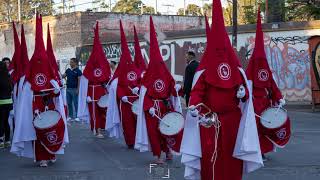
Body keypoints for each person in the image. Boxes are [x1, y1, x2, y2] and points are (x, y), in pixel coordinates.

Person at [180, 1, 263, 180]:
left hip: (233, 120)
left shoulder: (236, 69)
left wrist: (243, 94)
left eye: (223, 49)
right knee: (211, 158)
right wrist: (194, 107)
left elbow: (244, 90)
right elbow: (197, 92)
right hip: (210, 121)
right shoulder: (203, 71)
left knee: (233, 157)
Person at [10, 15, 68, 167]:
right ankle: (41, 157)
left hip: (49, 105)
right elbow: (26, 98)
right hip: (35, 107)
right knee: (38, 132)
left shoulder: (51, 78)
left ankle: (52, 153)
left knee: (53, 128)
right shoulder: (28, 81)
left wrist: (56, 91)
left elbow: (56, 95)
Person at [134, 17, 183, 164]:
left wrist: (178, 89)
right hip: (153, 110)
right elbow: (145, 94)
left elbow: (173, 91)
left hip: (166, 106)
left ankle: (168, 151)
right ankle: (157, 154)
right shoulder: (148, 76)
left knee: (167, 130)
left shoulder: (166, 74)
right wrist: (148, 107)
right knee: (154, 132)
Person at [246, 8, 290, 161]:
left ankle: (263, 150)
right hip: (253, 105)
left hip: (266, 103)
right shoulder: (250, 69)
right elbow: (244, 86)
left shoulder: (264, 67)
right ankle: (256, 151)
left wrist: (279, 98)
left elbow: (272, 85)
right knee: (255, 129)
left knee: (266, 128)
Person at [107, 21, 142, 148]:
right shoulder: (120, 74)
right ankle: (130, 142)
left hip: (136, 100)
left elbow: (139, 81)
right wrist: (122, 96)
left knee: (138, 121)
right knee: (127, 123)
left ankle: (138, 140)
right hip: (125, 102)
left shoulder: (135, 70)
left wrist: (137, 88)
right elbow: (119, 86)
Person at [77, 22, 111, 139]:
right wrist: (86, 95)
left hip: (101, 92)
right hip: (91, 93)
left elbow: (107, 78)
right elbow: (85, 80)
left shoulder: (104, 65)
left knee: (103, 111)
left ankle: (102, 127)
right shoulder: (89, 67)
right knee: (94, 113)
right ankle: (97, 130)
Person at [0, 62, 13, 148]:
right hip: (8, 102)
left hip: (0, 102)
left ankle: (1, 140)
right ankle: (8, 140)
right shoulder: (9, 77)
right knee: (6, 121)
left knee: (0, 121)